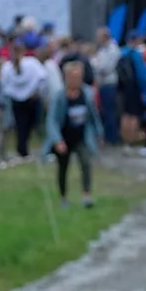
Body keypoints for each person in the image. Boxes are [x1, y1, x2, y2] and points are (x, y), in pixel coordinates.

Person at [43, 58, 102, 207]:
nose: (77, 80)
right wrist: (57, 140)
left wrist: (98, 133)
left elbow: (93, 115)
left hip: (81, 136)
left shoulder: (87, 93)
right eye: (73, 77)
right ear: (66, 77)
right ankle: (63, 197)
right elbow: (52, 120)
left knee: (86, 163)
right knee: (63, 168)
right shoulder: (59, 96)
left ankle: (86, 196)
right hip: (64, 137)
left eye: (79, 77)